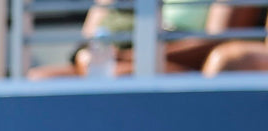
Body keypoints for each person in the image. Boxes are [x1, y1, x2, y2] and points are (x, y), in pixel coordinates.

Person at [25, 1, 263, 77]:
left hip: (186, 66)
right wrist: (87, 56)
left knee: (121, 76)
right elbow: (91, 35)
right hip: (114, 60)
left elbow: (219, 41)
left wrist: (131, 58)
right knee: (41, 78)